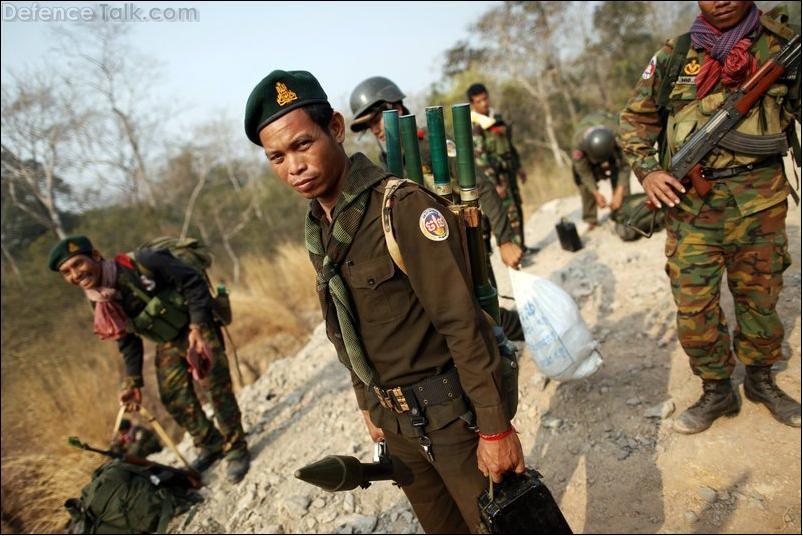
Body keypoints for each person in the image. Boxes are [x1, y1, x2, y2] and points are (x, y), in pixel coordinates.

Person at [245, 70, 525, 533]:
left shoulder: (402, 208)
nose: (292, 166)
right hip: (396, 426)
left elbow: (462, 324)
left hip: (453, 418)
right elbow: (343, 327)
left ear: (334, 128)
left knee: (499, 526)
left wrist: (495, 429)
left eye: (301, 145)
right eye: (277, 156)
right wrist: (368, 404)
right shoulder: (320, 227)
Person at [619, 1, 801, 434]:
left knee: (761, 299)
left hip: (759, 201)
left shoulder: (781, 48)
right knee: (695, 306)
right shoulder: (676, 54)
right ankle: (716, 390)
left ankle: (761, 381)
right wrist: (649, 173)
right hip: (691, 207)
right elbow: (635, 122)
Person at [48, 236, 251, 482]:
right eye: (66, 272)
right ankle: (211, 444)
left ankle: (237, 448)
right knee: (173, 396)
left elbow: (192, 282)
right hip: (167, 339)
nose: (75, 274)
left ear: (96, 256)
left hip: (196, 324)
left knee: (215, 386)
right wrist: (133, 383)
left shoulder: (142, 263)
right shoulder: (100, 300)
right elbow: (126, 339)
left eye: (78, 264)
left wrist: (198, 326)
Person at [349, 76, 524, 340]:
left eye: (376, 120)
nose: (375, 129)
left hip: (465, 238)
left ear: (395, 108)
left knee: (485, 312)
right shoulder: (387, 162)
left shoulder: (432, 143)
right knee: (460, 319)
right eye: (369, 125)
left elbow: (482, 186)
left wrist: (506, 239)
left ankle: (528, 334)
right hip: (429, 253)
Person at [467, 82, 533, 254]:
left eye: (485, 99)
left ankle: (522, 247)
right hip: (494, 177)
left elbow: (508, 145)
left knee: (516, 208)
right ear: (473, 104)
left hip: (508, 171)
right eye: (479, 101)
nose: (484, 103)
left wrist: (518, 168)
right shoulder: (475, 125)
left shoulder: (496, 118)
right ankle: (513, 250)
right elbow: (480, 159)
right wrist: (494, 184)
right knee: (507, 214)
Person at [571, 113, 632, 229]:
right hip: (590, 154)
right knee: (583, 182)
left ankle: (623, 211)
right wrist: (596, 193)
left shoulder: (618, 135)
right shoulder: (578, 144)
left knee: (619, 176)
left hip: (611, 151)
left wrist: (619, 192)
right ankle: (591, 220)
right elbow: (584, 172)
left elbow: (625, 165)